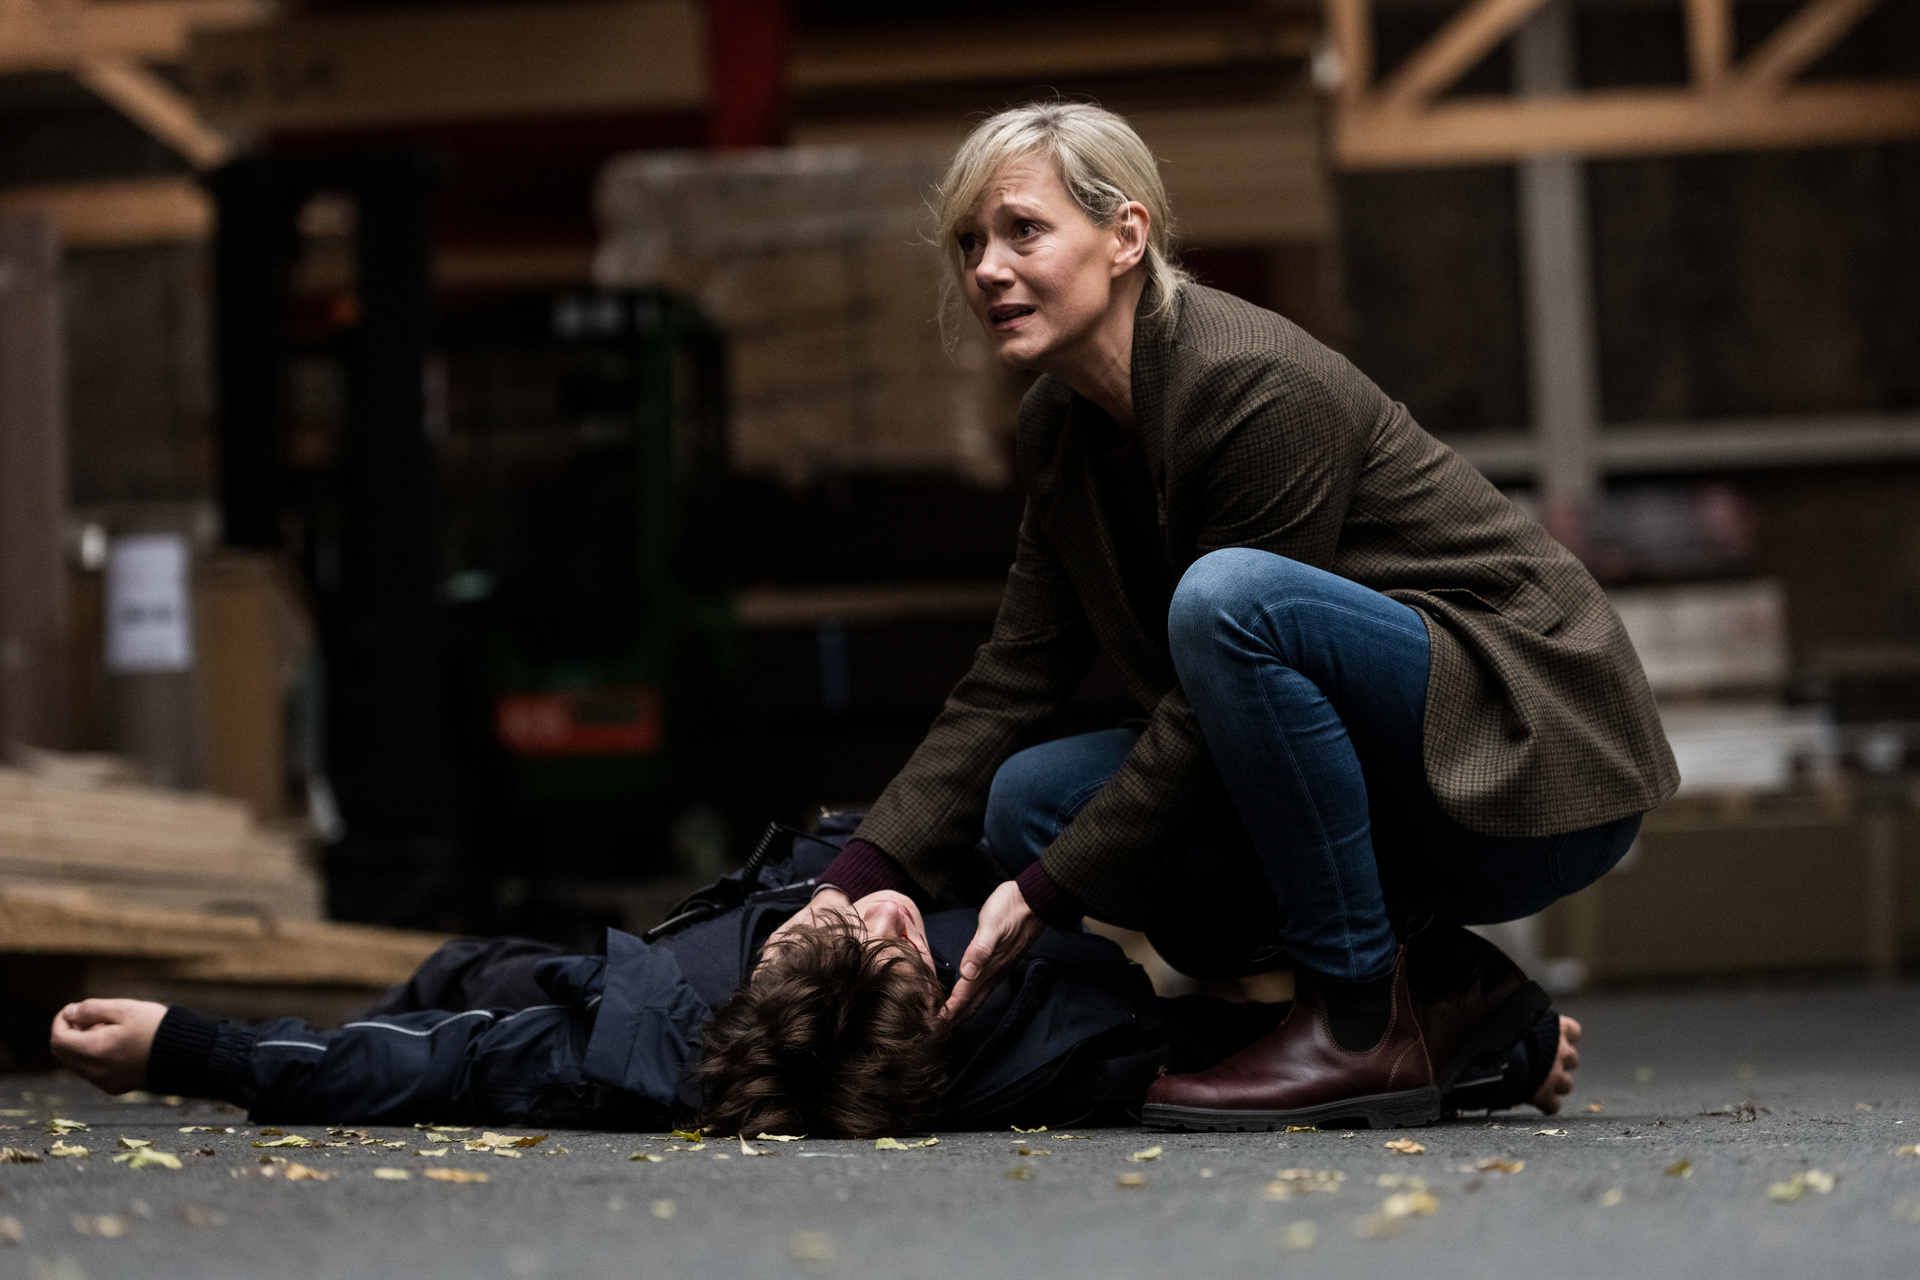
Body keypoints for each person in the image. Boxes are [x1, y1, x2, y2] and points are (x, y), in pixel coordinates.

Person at [808, 100, 1674, 1130]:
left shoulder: (1250, 381)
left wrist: (1045, 892)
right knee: (1033, 801)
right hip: (1401, 783)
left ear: (1126, 236)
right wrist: (850, 880)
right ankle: (1441, 986)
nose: (987, 268)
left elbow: (1215, 676)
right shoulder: (1060, 429)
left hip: (1523, 753)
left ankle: (1355, 1020)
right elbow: (1013, 675)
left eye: (1022, 230)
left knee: (1227, 601)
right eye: (969, 243)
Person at [48, 827, 1578, 1135]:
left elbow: (406, 1069)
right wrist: (1507, 1058)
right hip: (655, 959)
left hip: (591, 977)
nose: (894, 918)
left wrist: (181, 1042)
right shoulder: (1055, 1043)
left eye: (871, 932)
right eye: (900, 942)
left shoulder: (636, 1048)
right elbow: (1277, 1062)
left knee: (460, 996)